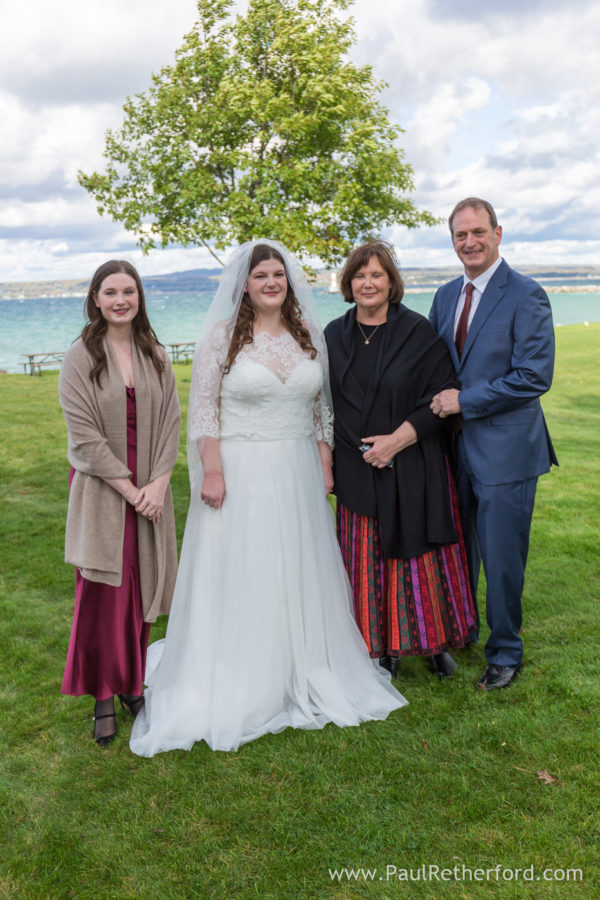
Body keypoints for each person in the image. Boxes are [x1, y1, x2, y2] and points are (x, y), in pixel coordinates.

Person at [130, 240, 406, 756]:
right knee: (247, 566)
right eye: (262, 276)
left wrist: (324, 462)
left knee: (296, 567)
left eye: (279, 274)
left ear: (289, 281)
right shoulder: (219, 339)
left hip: (298, 468)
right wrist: (211, 469)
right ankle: (242, 671)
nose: (272, 283)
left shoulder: (308, 336)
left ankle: (299, 664)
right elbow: (205, 409)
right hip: (240, 468)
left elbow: (322, 406)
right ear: (245, 285)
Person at [324, 241, 477, 680]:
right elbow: (323, 402)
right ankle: (380, 645)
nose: (368, 283)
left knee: (418, 557)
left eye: (377, 275)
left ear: (392, 282)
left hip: (414, 462)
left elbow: (442, 397)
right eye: (359, 276)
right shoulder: (334, 334)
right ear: (348, 284)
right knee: (367, 560)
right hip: (356, 466)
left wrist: (396, 441)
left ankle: (433, 644)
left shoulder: (417, 332)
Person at [429, 198, 557, 690]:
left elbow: (533, 377)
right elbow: (432, 363)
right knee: (459, 550)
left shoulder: (526, 294)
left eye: (478, 232)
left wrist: (466, 401)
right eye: (460, 235)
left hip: (506, 451)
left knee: (503, 557)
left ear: (498, 233)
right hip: (453, 450)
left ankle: (505, 651)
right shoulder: (444, 296)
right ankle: (462, 629)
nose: (470, 242)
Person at [59, 260, 180, 746]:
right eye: (110, 292)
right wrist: (131, 491)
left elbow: (172, 420)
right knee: (103, 595)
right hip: (105, 491)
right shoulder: (79, 356)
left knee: (143, 590)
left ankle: (132, 685)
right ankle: (103, 698)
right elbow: (83, 439)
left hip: (151, 489)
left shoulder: (154, 352)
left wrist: (159, 482)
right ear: (95, 299)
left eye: (129, 291)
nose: (120, 300)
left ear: (139, 297)